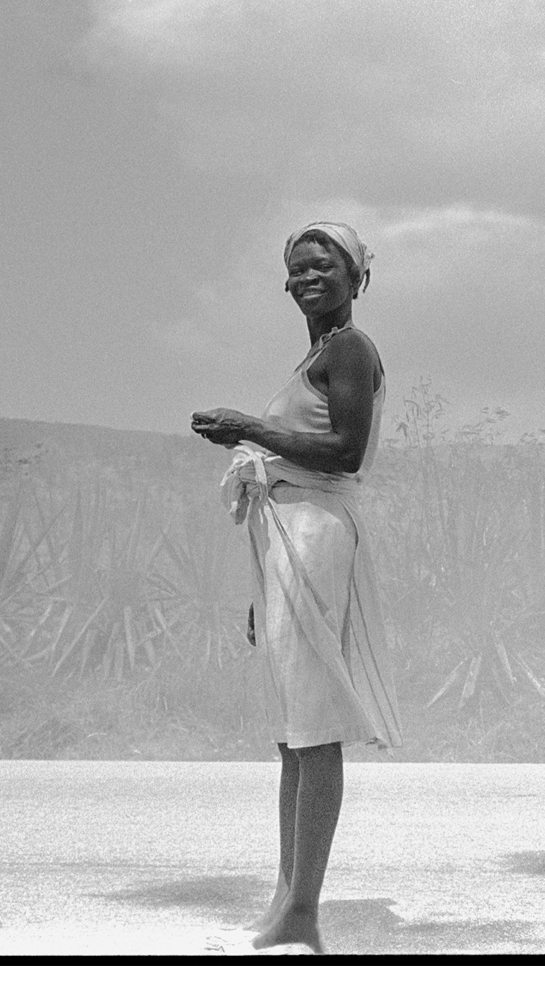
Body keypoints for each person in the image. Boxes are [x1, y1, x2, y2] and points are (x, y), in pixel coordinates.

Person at [192, 221, 398, 955]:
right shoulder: (315, 353)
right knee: (292, 731)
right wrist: (264, 590)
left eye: (324, 264)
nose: (308, 276)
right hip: (291, 536)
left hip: (315, 530)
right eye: (297, 267)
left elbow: (342, 450)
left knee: (313, 726)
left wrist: (249, 426)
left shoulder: (349, 348)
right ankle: (288, 895)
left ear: (355, 277)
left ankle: (304, 906)